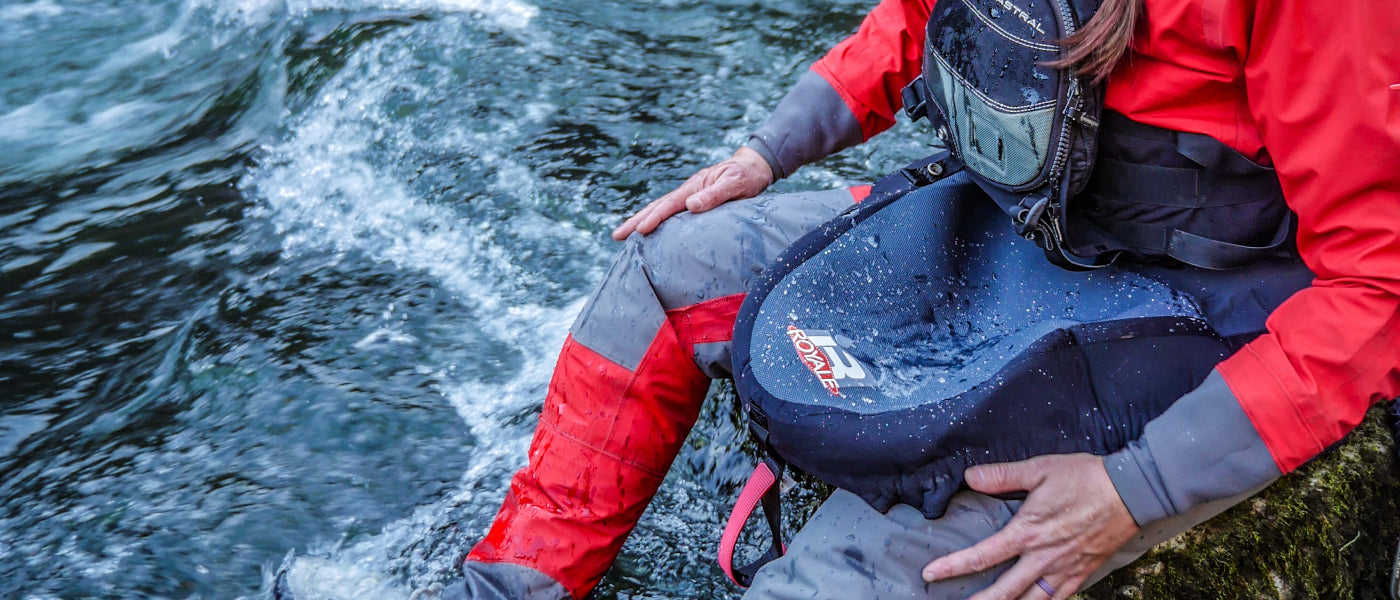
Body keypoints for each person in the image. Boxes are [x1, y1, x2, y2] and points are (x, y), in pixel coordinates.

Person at [291, 0, 1400, 597]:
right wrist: (770, 151)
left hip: (1185, 315)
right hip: (1012, 223)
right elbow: (919, 20)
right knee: (662, 272)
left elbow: (1372, 287)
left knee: (838, 581)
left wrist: (1136, 490)